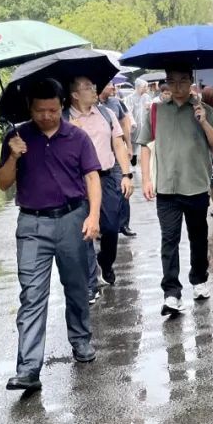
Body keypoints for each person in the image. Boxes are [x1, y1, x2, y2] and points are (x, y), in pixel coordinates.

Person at [0, 78, 102, 392]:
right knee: (31, 295)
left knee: (77, 285)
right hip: (32, 224)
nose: (46, 116)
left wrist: (93, 215)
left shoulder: (78, 137)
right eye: (40, 110)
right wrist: (13, 156)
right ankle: (28, 368)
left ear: (62, 107)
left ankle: (81, 340)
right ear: (30, 108)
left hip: (72, 219)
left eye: (53, 110)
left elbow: (92, 177)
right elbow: (2, 183)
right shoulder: (16, 137)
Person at [138, 67, 213, 316]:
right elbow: (145, 146)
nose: (177, 87)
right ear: (166, 83)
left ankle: (199, 280)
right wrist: (146, 179)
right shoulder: (156, 111)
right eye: (172, 81)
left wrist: (204, 122)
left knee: (198, 238)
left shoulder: (205, 111)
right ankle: (171, 293)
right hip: (166, 187)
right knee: (169, 240)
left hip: (196, 185)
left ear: (190, 82)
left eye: (182, 81)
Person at [67, 77, 133, 298]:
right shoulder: (64, 119)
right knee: (84, 232)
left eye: (94, 86)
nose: (94, 90)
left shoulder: (106, 113)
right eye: (87, 87)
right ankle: (90, 285)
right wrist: (69, 132)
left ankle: (105, 262)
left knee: (111, 227)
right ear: (75, 94)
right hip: (76, 183)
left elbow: (118, 144)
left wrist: (126, 174)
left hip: (106, 178)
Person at [100, 81, 136, 238]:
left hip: (117, 155)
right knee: (103, 193)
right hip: (100, 157)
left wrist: (129, 146)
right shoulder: (91, 107)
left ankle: (124, 224)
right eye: (109, 84)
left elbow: (125, 123)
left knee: (123, 188)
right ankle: (104, 226)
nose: (113, 88)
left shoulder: (115, 103)